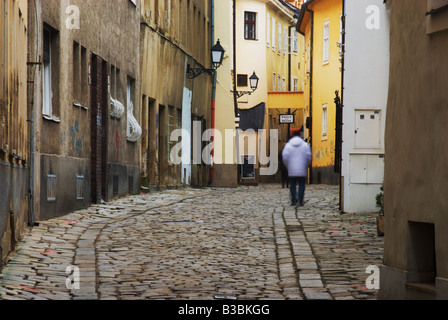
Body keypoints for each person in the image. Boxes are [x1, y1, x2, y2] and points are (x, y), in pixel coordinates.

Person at [282, 130, 312, 206]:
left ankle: (294, 200)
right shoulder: (305, 145)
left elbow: (285, 157)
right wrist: (307, 165)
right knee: (301, 184)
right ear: (299, 135)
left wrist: (287, 166)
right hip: (302, 168)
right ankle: (300, 200)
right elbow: (309, 156)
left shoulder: (288, 145)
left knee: (292, 184)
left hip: (291, 168)